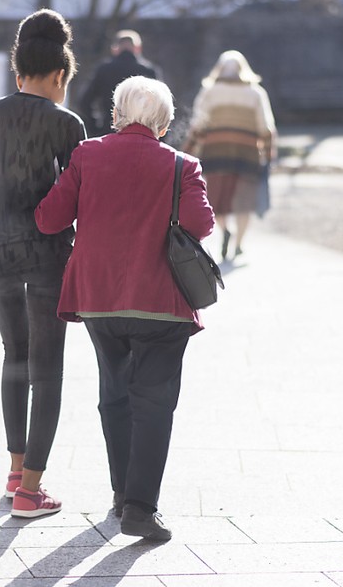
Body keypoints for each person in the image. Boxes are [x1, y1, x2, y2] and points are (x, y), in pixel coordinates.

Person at [35, 76, 214, 541]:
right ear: (165, 122)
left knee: (115, 393)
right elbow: (200, 224)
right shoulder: (182, 165)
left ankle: (120, 494)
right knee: (153, 402)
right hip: (162, 302)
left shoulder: (87, 154)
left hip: (99, 299)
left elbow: (50, 218)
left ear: (115, 114)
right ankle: (139, 507)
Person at [0, 9, 86, 519]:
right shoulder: (67, 123)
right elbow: (79, 196)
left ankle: (14, 474)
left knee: (14, 354)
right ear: (59, 76)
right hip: (48, 256)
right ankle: (31, 490)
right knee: (47, 368)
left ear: (16, 74)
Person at [185, 50, 276, 261]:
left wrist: (188, 151)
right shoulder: (255, 93)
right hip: (247, 155)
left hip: (216, 154)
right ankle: (239, 244)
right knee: (243, 202)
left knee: (217, 200)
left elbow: (198, 124)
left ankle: (226, 230)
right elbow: (266, 127)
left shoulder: (209, 91)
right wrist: (268, 154)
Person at [76, 29, 161, 136]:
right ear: (138, 48)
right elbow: (160, 106)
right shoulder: (148, 71)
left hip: (109, 131)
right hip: (142, 134)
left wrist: (96, 128)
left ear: (114, 49)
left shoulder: (103, 70)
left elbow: (84, 102)